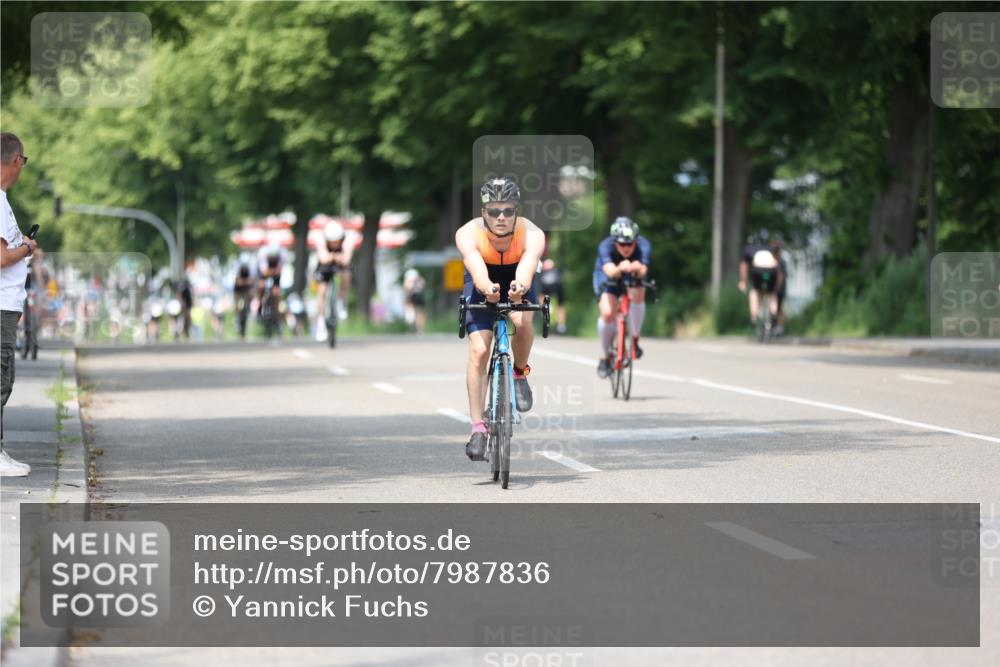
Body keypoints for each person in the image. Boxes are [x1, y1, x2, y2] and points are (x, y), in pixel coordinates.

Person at [455, 177, 545, 461]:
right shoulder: (467, 233)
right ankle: (477, 429)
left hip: (518, 277)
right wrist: (487, 289)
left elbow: (527, 268)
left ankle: (519, 373)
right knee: (479, 350)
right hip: (482, 279)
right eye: (494, 211)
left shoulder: (532, 233)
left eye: (508, 210)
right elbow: (477, 270)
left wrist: (520, 288)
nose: (501, 217)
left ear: (516, 211)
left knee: (523, 321)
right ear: (484, 212)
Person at [1, 132, 37, 476]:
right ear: (16, 160)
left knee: (5, 378)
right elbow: (0, 258)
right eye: (23, 160)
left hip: (7, 304)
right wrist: (26, 249)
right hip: (1, 306)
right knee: (1, 379)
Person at [593, 216, 652, 378]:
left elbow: (643, 270)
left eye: (630, 244)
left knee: (639, 292)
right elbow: (610, 271)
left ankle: (634, 337)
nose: (626, 248)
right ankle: (605, 356)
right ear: (615, 242)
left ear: (636, 241)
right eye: (622, 244)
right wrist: (622, 267)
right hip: (607, 274)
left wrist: (636, 267)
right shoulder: (605, 246)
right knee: (608, 313)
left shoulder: (644, 245)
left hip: (631, 272)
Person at [314, 221, 352, 341]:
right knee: (322, 292)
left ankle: (341, 301)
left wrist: (335, 258)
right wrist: (336, 257)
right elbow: (323, 259)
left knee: (346, 274)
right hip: (324, 267)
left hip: (340, 265)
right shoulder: (321, 241)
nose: (335, 244)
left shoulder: (347, 242)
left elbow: (346, 260)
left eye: (337, 241)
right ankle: (321, 322)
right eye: (332, 241)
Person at [738, 233, 785, 330]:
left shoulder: (748, 249)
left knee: (755, 292)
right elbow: (778, 266)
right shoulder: (771, 248)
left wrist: (743, 282)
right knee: (772, 293)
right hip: (771, 272)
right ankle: (773, 312)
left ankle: (754, 316)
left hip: (758, 272)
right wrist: (778, 285)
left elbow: (744, 267)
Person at [538, 257, 567, 334]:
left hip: (547, 287)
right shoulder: (557, 271)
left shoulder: (543, 272)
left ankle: (547, 308)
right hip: (558, 285)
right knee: (561, 304)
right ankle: (561, 325)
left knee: (541, 296)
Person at [233, 257, 254, 339]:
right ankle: (237, 321)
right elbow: (238, 283)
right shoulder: (238, 272)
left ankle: (244, 327)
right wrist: (245, 282)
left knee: (247, 307)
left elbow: (251, 282)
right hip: (239, 293)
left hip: (246, 293)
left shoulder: (250, 272)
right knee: (238, 306)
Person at [402, 268, 427, 334]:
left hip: (412, 296)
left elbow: (406, 289)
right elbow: (423, 285)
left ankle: (413, 327)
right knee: (420, 312)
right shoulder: (419, 280)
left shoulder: (408, 281)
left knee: (413, 311)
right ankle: (419, 328)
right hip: (418, 296)